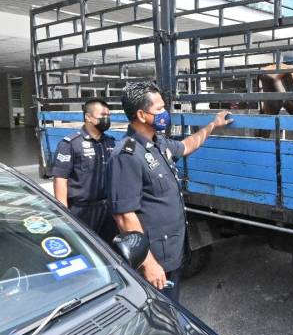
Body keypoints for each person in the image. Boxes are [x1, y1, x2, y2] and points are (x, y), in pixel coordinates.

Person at [108, 81, 232, 302]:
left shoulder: (159, 143)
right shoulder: (126, 155)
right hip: (155, 261)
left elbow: (186, 146)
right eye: (159, 109)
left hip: (171, 254)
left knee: (171, 309)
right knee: (156, 315)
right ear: (141, 114)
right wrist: (149, 263)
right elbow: (125, 216)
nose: (165, 113)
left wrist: (212, 125)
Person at [51, 98, 118, 243]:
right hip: (82, 211)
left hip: (108, 209)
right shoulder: (71, 143)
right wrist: (63, 214)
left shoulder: (110, 142)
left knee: (111, 249)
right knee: (84, 247)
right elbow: (60, 179)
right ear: (88, 117)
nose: (106, 119)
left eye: (108, 115)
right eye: (102, 116)